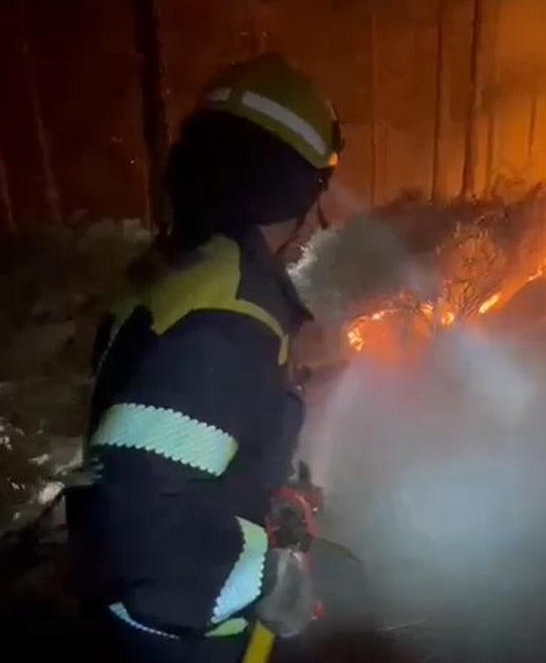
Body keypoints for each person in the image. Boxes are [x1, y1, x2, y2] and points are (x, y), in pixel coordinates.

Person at [66, 53, 343, 663]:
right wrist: (265, 578)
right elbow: (144, 509)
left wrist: (276, 474)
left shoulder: (191, 275)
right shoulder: (231, 318)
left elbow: (181, 440)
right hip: (184, 641)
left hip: (135, 618)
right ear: (297, 187)